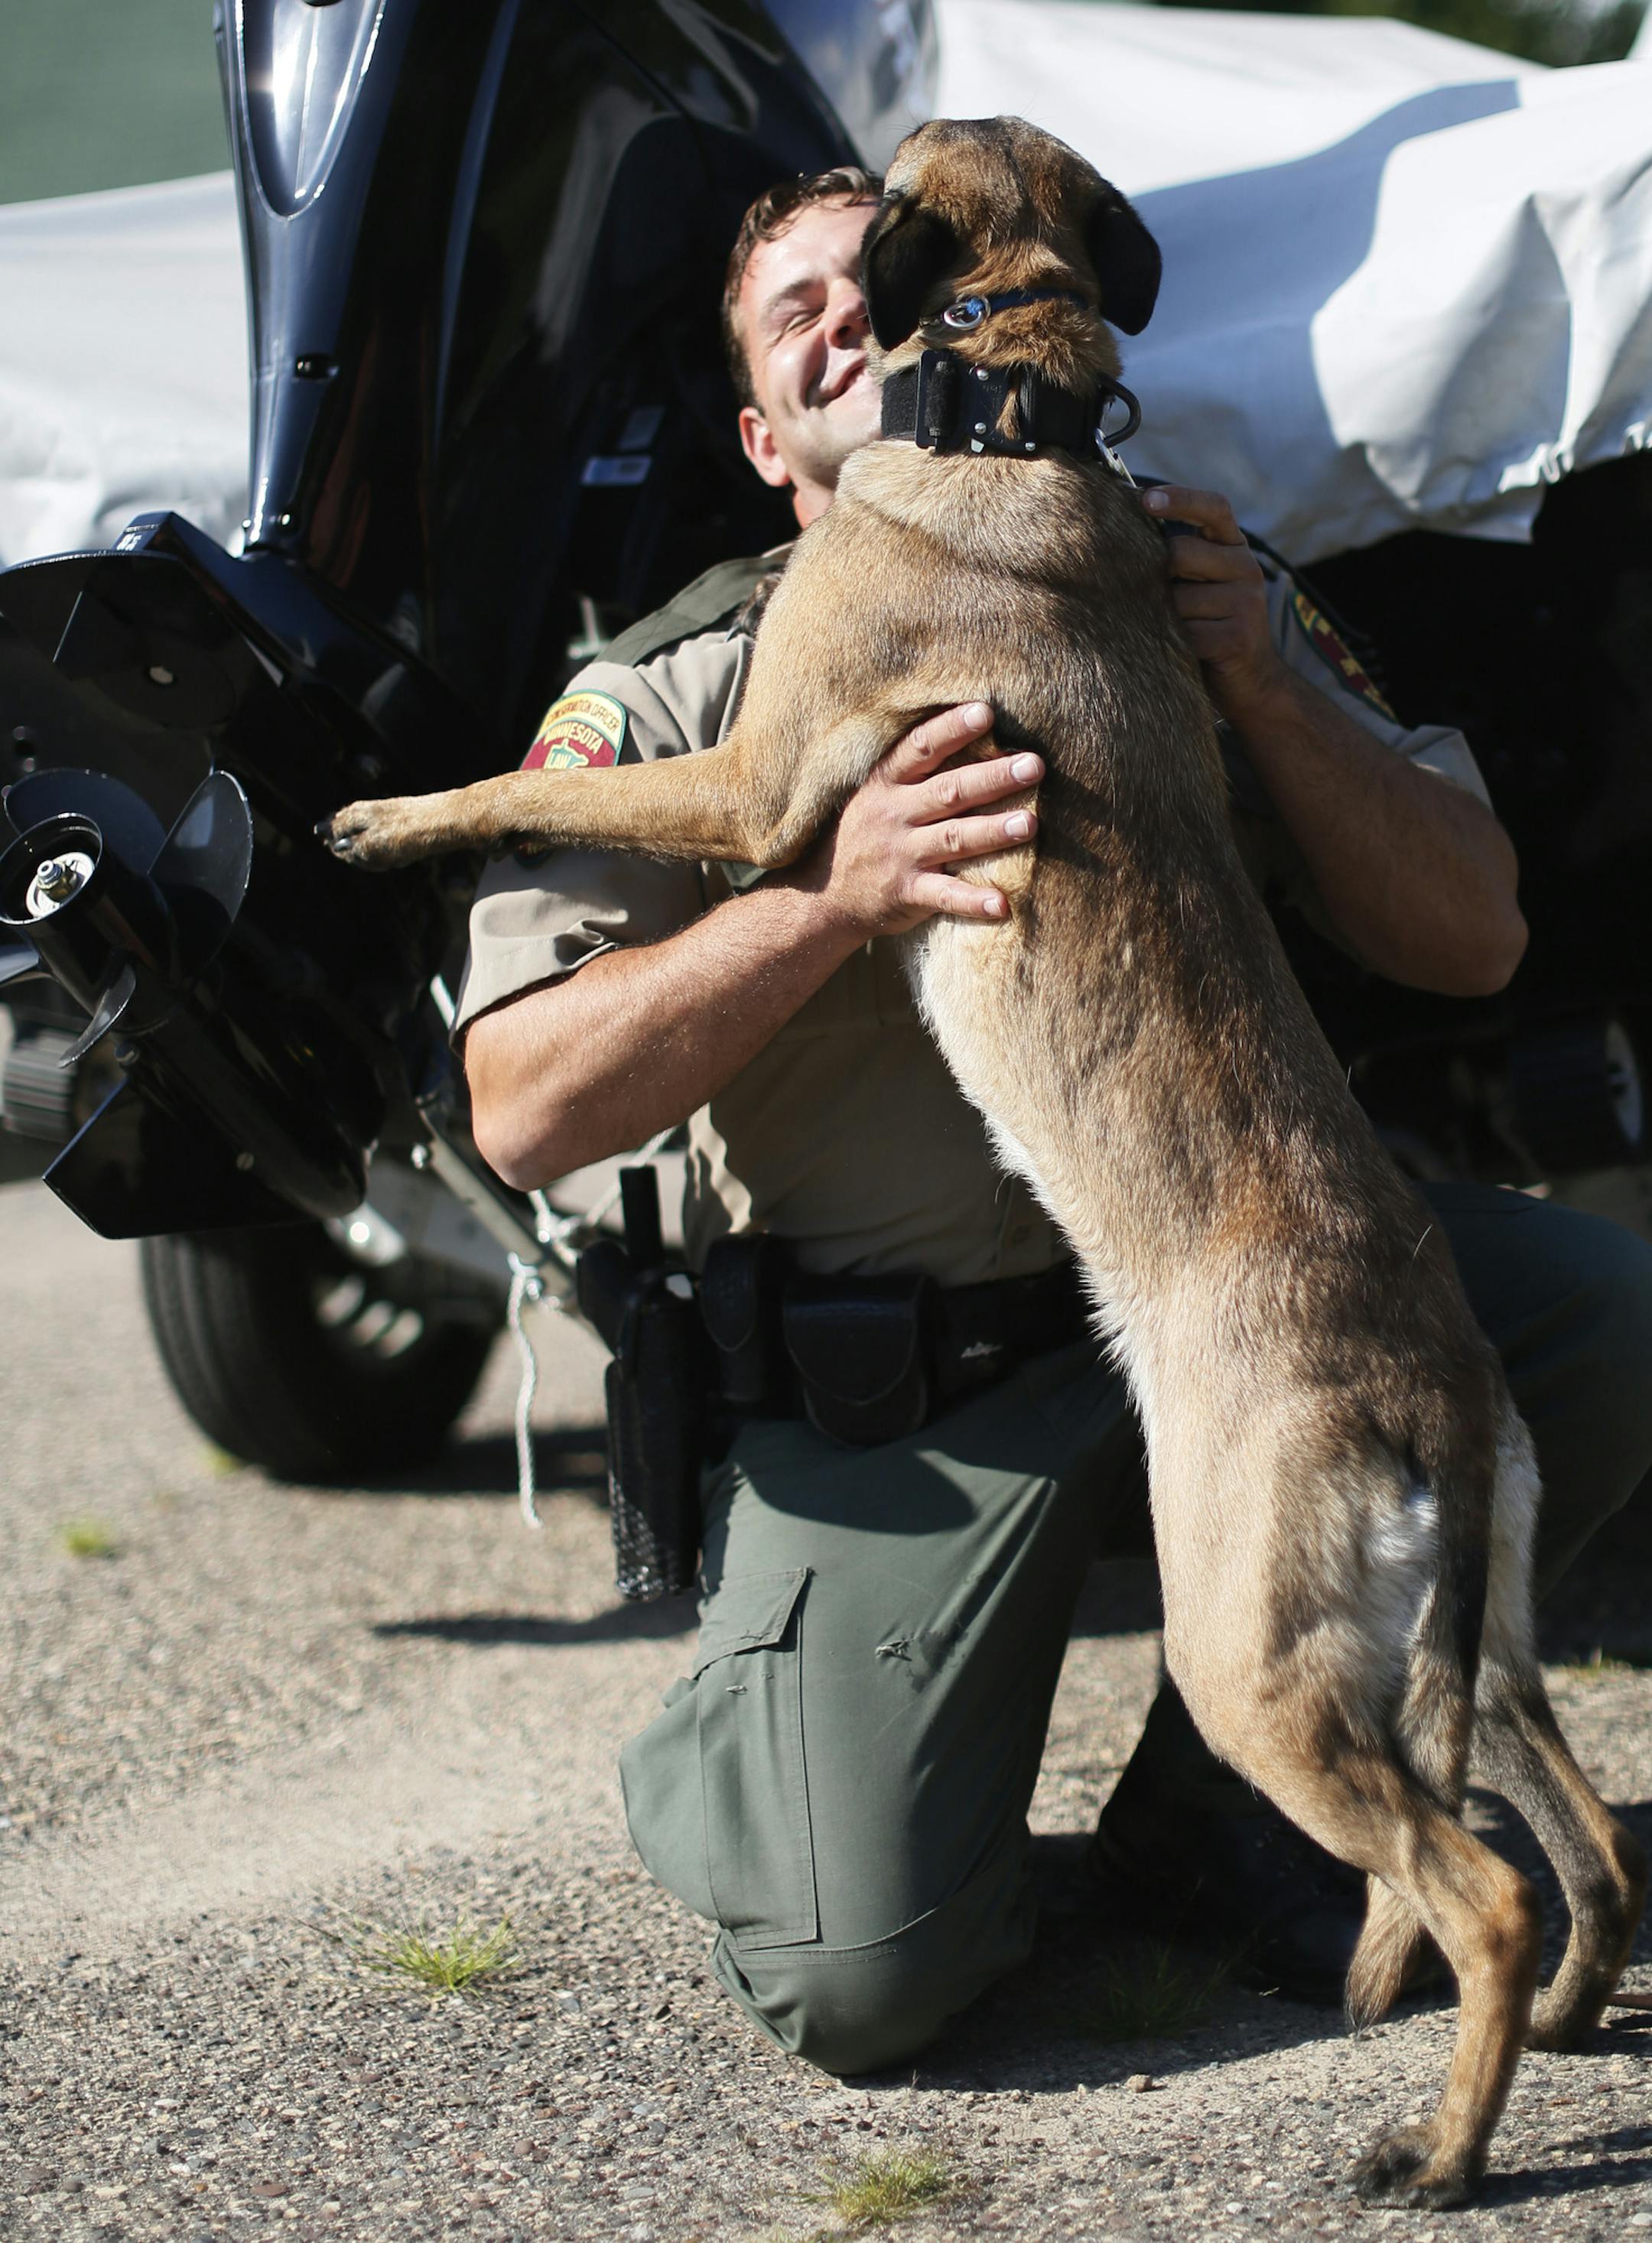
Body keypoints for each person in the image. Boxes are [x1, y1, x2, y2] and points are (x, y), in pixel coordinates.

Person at [455, 165, 1652, 2076]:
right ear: (768, 444)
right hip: (923, 1405)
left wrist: (1261, 682)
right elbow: (518, 1107)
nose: (862, 316)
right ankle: (767, 1748)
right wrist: (824, 893)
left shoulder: (1178, 583)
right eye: (802, 317)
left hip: (1228, 1311)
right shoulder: (682, 680)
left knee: (1593, 1312)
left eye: (890, 278)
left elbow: (1476, 932)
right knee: (865, 1980)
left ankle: (1228, 1808)